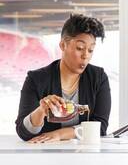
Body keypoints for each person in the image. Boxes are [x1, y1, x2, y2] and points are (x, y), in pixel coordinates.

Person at [16, 14, 111, 143]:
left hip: (85, 156)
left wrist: (60, 134)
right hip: (46, 155)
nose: (85, 56)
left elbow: (100, 127)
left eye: (90, 50)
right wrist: (41, 111)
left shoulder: (98, 78)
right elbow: (23, 132)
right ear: (62, 45)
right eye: (80, 48)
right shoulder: (36, 79)